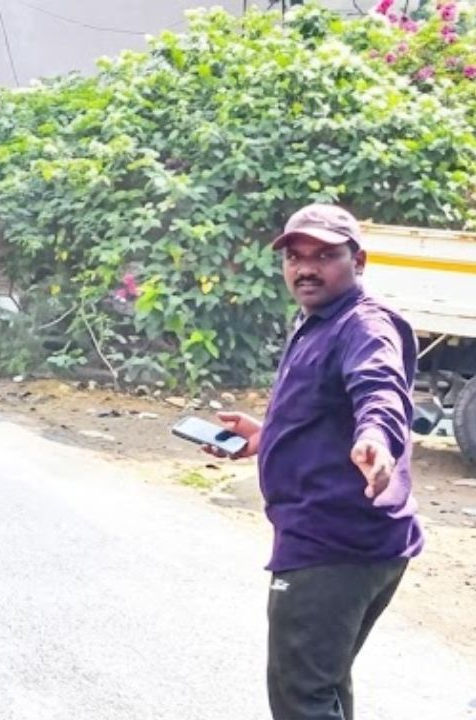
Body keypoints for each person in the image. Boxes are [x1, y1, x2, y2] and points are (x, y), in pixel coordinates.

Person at [212, 204, 423, 720]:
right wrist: (269, 437)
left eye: (325, 256)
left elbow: (379, 391)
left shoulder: (364, 326)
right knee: (324, 683)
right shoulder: (319, 320)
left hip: (332, 544)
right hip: (360, 538)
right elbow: (326, 407)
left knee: (300, 696)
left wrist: (376, 437)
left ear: (359, 260)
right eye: (295, 257)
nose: (306, 268)